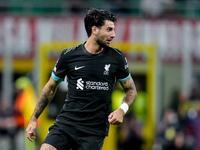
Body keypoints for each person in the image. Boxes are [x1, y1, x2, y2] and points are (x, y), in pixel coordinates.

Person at [26, 8, 137, 150]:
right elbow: (50, 87)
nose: (113, 35)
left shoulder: (117, 58)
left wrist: (122, 110)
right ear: (95, 30)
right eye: (109, 30)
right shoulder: (69, 56)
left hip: (93, 131)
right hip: (66, 124)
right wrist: (34, 118)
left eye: (114, 30)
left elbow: (131, 90)